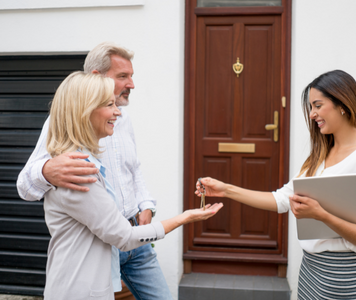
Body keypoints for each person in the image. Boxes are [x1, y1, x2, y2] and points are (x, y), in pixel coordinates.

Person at [196, 70, 356, 300]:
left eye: (317, 105)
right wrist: (226, 190)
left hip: (345, 277)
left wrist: (322, 215)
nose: (312, 114)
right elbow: (281, 199)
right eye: (310, 107)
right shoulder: (321, 152)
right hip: (310, 270)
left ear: (342, 103)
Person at [43, 71, 222, 300]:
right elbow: (124, 237)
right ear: (85, 111)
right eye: (109, 105)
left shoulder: (84, 162)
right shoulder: (77, 171)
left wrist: (145, 204)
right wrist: (185, 217)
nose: (118, 112)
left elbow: (134, 168)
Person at [16, 42, 173, 299]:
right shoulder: (62, 122)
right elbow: (24, 185)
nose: (131, 84)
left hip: (138, 240)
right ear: (96, 78)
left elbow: (134, 170)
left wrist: (146, 204)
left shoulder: (123, 118)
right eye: (123, 76)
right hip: (102, 246)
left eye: (132, 76)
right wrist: (45, 170)